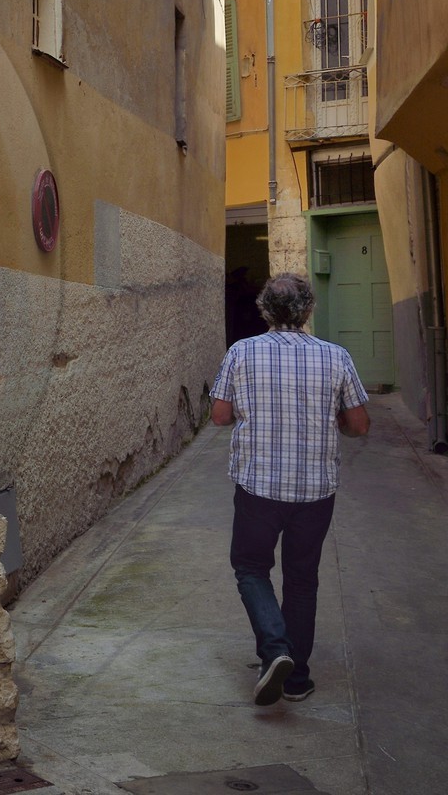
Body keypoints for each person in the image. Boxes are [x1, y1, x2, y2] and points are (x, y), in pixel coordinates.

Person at [210, 272, 370, 707]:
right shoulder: (336, 356)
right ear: (308, 310)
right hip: (315, 490)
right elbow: (359, 425)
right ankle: (297, 678)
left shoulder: (241, 352)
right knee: (301, 579)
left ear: (265, 310)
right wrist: (333, 419)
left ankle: (275, 649)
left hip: (259, 486)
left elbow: (220, 416)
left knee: (251, 568)